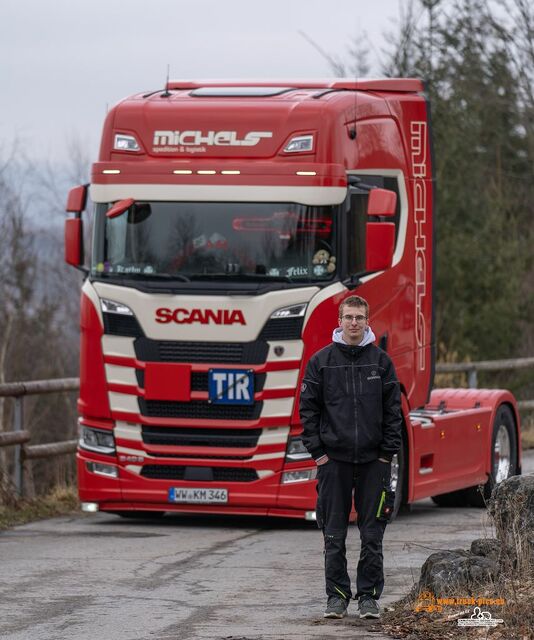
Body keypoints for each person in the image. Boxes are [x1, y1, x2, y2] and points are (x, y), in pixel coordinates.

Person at [299, 295, 402, 620]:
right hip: (334, 462)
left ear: (367, 321)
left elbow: (393, 414)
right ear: (339, 321)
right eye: (348, 317)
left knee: (372, 534)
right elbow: (308, 411)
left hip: (375, 462)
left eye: (359, 317)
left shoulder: (381, 363)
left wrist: (386, 455)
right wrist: (318, 454)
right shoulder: (321, 362)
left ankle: (369, 599)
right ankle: (337, 598)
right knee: (334, 534)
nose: (354, 323)